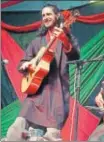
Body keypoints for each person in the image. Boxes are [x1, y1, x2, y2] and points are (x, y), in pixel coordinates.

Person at [5, 4, 80, 141]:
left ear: (57, 16)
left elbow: (75, 56)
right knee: (16, 130)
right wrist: (26, 65)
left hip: (57, 92)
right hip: (36, 93)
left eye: (49, 14)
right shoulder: (36, 42)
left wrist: (65, 40)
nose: (45, 17)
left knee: (52, 135)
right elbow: (22, 63)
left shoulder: (66, 38)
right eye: (43, 15)